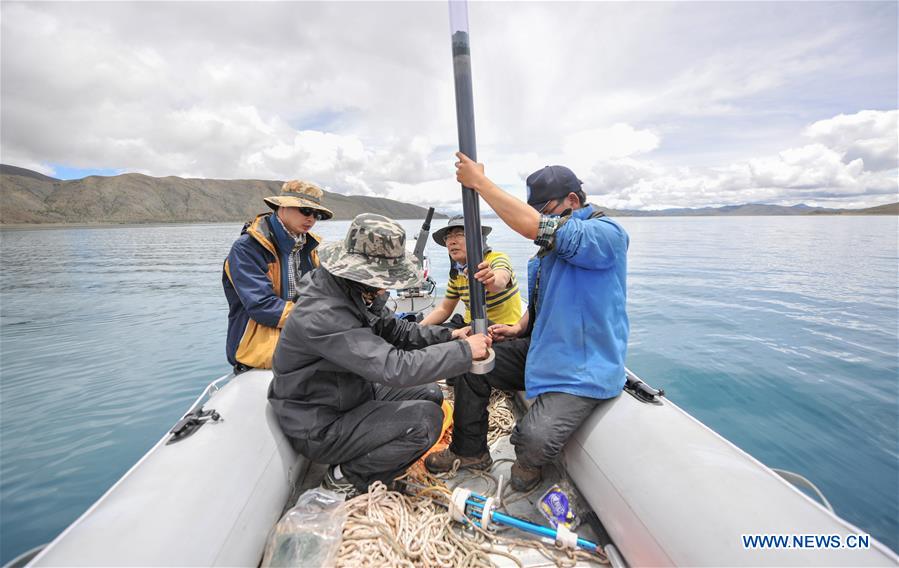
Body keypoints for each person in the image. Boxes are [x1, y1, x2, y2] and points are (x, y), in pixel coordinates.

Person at [425, 153, 630, 492]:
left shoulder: (606, 235)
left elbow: (536, 228)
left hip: (583, 367)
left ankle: (527, 457)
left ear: (573, 201)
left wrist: (480, 183)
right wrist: (520, 327)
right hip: (542, 350)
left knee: (532, 442)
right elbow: (544, 299)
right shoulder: (553, 252)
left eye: (545, 210)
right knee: (468, 363)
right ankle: (470, 451)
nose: (540, 218)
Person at [269, 213, 492, 495]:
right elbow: (394, 368)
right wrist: (463, 351)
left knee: (431, 395)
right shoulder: (323, 313)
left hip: (349, 394)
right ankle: (345, 476)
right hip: (319, 420)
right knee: (425, 422)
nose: (387, 284)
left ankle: (368, 455)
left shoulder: (351, 289)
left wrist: (449, 335)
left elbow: (396, 330)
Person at [222, 180, 332, 372]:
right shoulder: (247, 248)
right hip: (258, 352)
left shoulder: (309, 249)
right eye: (305, 211)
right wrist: (322, 317)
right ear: (282, 206)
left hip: (299, 342)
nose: (311, 219)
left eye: (317, 214)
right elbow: (263, 306)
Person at [419, 215, 523, 329]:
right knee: (428, 337)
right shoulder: (456, 273)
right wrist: (417, 329)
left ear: (477, 239)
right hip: (468, 325)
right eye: (447, 237)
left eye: (459, 235)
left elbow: (500, 281)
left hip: (501, 328)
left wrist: (490, 279)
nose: (451, 242)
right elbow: (444, 309)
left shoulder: (496, 259)